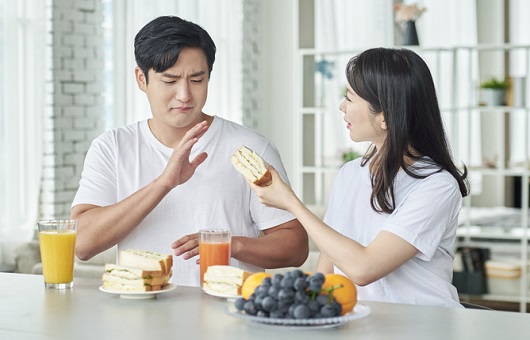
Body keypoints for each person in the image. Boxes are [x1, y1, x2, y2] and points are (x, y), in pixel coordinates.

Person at [71, 15, 308, 287]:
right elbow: (82, 245)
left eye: (197, 80)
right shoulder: (112, 148)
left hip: (231, 317)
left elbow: (296, 247)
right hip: (142, 318)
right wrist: (164, 183)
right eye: (170, 81)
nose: (184, 95)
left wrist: (230, 245)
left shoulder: (249, 148)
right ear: (141, 79)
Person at [247, 47, 469, 308]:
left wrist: (290, 202)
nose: (342, 106)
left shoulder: (437, 187)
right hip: (359, 325)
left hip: (421, 327)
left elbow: (364, 268)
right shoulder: (350, 174)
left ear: (385, 117)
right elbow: (326, 269)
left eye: (350, 98)